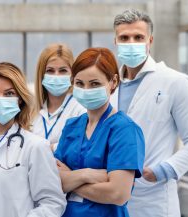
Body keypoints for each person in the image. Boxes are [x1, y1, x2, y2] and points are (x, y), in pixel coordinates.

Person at [109, 9, 188, 217]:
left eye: (138, 37)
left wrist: (162, 171)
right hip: (109, 197)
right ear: (115, 42)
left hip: (153, 200)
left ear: (150, 40)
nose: (131, 43)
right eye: (124, 37)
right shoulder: (109, 86)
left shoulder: (175, 82)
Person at [0, 62, 66, 217]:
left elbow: (53, 203)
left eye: (9, 94)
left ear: (20, 98)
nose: (0, 100)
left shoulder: (35, 146)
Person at [54, 47, 145, 217]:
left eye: (95, 84)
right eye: (80, 83)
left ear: (113, 82)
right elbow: (53, 182)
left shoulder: (124, 130)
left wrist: (71, 180)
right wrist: (86, 174)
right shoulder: (71, 126)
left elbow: (118, 194)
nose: (87, 90)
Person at [32, 43, 85, 151]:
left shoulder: (80, 109)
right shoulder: (31, 113)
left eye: (63, 71)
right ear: (41, 74)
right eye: (50, 71)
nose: (56, 76)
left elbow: (78, 146)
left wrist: (46, 149)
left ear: (72, 75)